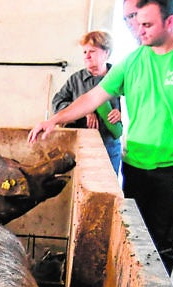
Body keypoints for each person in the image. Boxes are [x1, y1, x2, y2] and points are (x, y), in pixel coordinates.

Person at [30, 0, 173, 277]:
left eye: (148, 24)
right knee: (136, 236)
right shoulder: (133, 61)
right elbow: (94, 96)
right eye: (138, 23)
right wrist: (55, 119)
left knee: (164, 241)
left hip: (172, 168)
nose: (140, 30)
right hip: (135, 165)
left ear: (170, 22)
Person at [51, 31, 124, 177]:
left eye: (92, 51)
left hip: (109, 146)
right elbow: (57, 104)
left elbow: (136, 105)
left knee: (108, 187)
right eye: (84, 52)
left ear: (106, 53)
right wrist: (84, 111)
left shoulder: (119, 77)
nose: (87, 56)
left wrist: (122, 114)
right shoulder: (76, 80)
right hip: (81, 145)